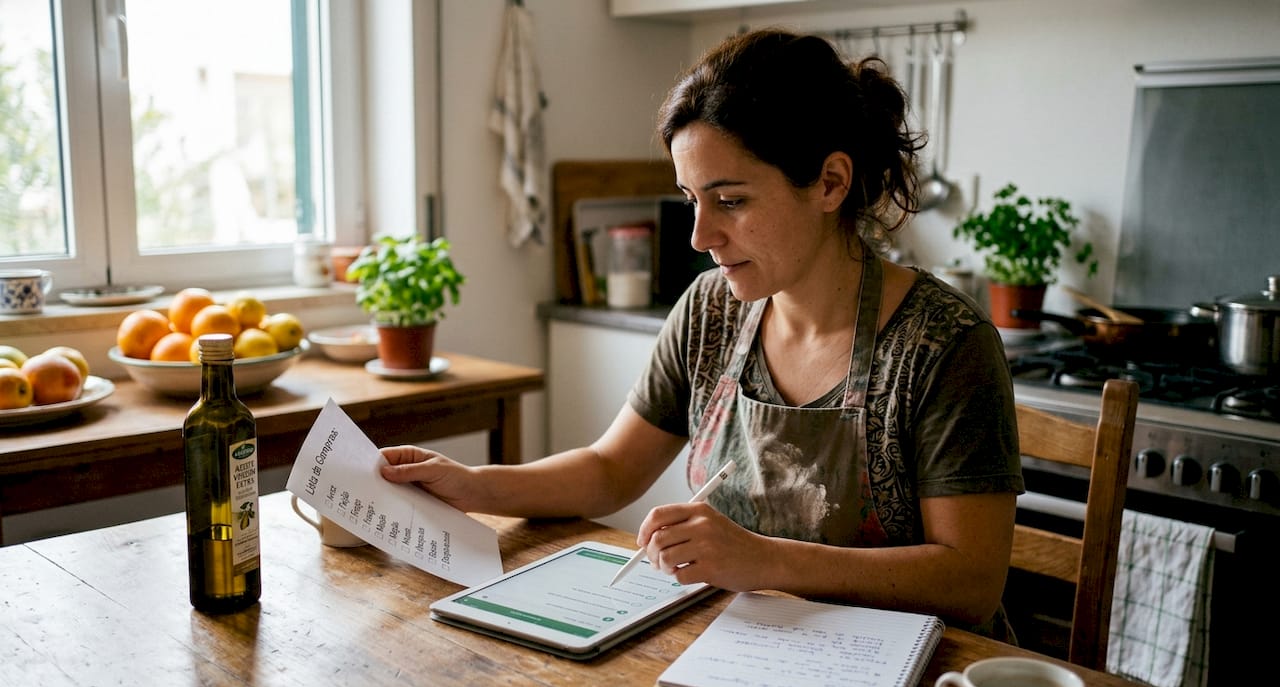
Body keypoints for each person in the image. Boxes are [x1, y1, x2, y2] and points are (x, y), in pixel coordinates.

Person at [380, 28, 1022, 638]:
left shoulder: (945, 344)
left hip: (903, 672)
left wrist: (765, 560)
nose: (700, 236)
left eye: (731, 201)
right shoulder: (711, 311)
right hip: (741, 647)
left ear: (830, 182)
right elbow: (609, 470)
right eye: (692, 199)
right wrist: (475, 485)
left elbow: (970, 582)